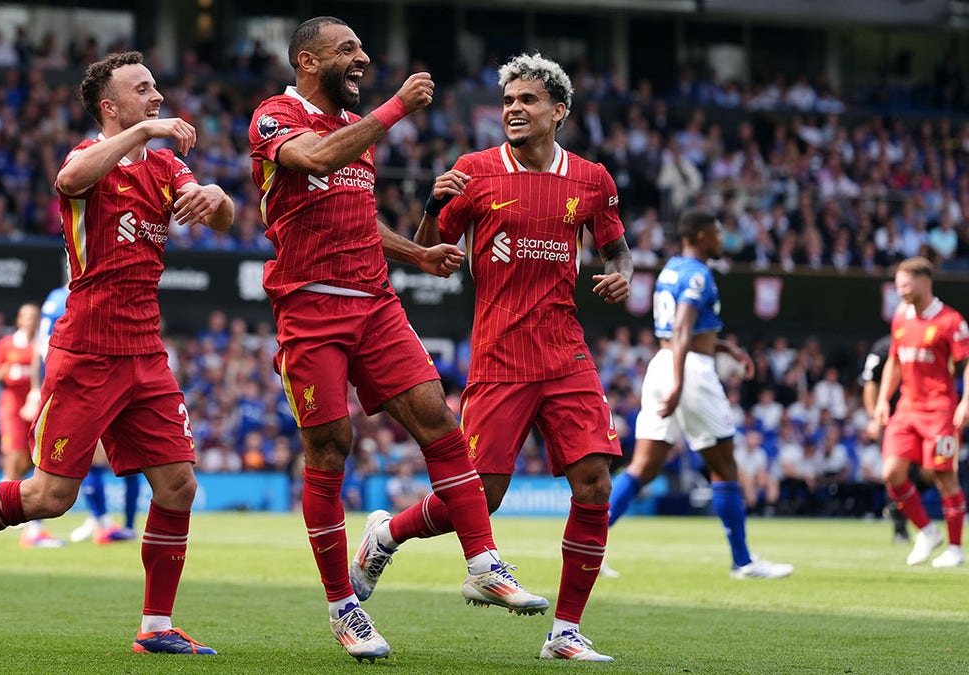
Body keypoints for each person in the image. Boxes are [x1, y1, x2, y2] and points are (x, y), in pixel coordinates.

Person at [0, 50, 235, 656]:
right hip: (88, 350)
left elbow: (226, 220)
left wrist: (214, 195)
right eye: (142, 88)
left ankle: (156, 627)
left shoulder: (166, 167)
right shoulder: (87, 159)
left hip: (145, 351)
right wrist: (145, 131)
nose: (157, 96)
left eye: (156, 88)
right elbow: (69, 182)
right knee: (50, 497)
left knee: (178, 483)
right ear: (111, 107)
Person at [248, 16, 546, 663]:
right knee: (331, 446)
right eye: (346, 50)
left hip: (376, 303)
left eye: (361, 48)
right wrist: (397, 108)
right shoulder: (275, 117)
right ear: (306, 60)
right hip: (310, 309)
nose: (362, 58)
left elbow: (356, 213)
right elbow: (316, 158)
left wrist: (414, 254)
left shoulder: (360, 134)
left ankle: (483, 561)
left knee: (439, 418)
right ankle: (342, 605)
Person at [349, 53, 630, 662]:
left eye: (527, 101)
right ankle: (385, 533)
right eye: (507, 102)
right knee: (484, 496)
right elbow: (424, 251)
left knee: (594, 483)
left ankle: (566, 632)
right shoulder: (474, 172)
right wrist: (429, 206)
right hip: (500, 356)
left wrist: (620, 276)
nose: (513, 110)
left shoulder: (592, 179)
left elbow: (617, 251)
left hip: (566, 354)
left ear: (559, 111)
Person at [608, 208, 794, 579]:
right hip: (687, 370)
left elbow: (680, 330)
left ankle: (586, 548)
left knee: (642, 467)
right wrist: (680, 382)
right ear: (699, 236)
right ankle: (742, 561)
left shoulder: (672, 268)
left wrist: (725, 348)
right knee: (724, 464)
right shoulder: (698, 274)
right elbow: (682, 329)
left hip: (662, 364)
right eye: (716, 232)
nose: (721, 238)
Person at [25, 277, 139, 545]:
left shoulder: (57, 296)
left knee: (89, 459)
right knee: (54, 460)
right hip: (69, 384)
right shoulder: (80, 296)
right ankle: (38, 529)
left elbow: (39, 347)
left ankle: (102, 522)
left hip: (65, 383)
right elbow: (43, 346)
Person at [872, 256, 968, 568]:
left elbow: (967, 366)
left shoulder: (952, 322)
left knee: (944, 477)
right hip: (907, 409)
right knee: (891, 473)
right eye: (897, 285)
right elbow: (894, 362)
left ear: (924, 283)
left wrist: (966, 401)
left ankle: (955, 548)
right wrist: (883, 400)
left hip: (940, 410)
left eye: (905, 284)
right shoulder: (900, 318)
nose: (900, 290)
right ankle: (927, 531)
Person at [0, 303, 63, 548]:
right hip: (12, 406)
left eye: (34, 317)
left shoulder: (41, 344)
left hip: (37, 405)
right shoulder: (7, 344)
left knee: (31, 458)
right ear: (19, 320)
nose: (30, 321)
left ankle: (8, 498)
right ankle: (4, 504)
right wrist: (3, 372)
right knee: (14, 453)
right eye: (26, 317)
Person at [861, 334, 934, 543]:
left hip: (923, 417)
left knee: (931, 472)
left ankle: (897, 507)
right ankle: (899, 528)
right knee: (894, 472)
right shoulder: (883, 348)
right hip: (892, 419)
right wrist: (873, 417)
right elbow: (870, 383)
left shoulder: (925, 344)